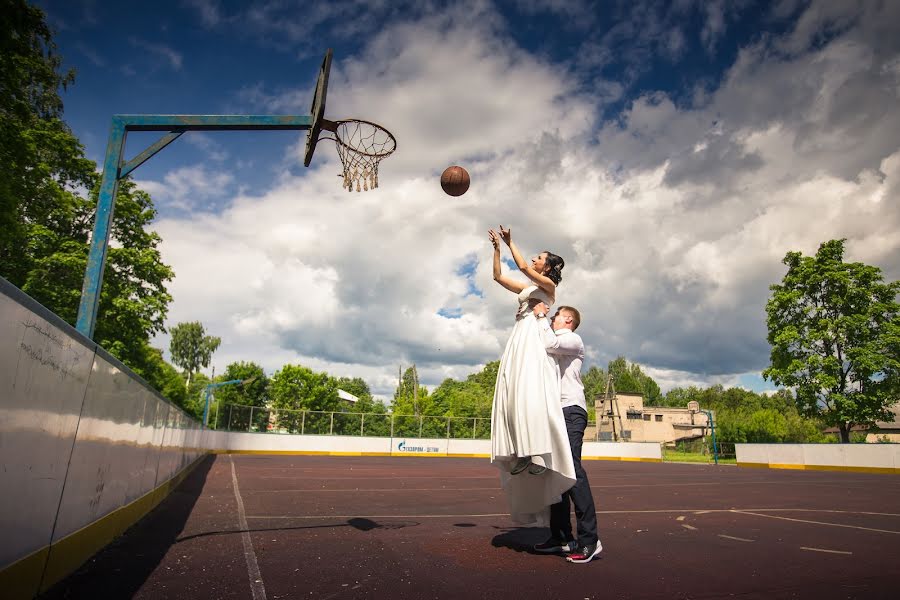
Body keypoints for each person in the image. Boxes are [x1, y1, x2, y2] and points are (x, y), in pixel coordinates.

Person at [488, 225, 575, 526]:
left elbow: (523, 266)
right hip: (519, 337)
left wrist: (511, 243)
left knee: (530, 391)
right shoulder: (528, 290)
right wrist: (497, 250)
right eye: (536, 256)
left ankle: (539, 453)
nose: (535, 259)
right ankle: (522, 451)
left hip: (534, 338)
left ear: (548, 267)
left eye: (540, 257)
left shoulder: (549, 288)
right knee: (514, 393)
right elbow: (498, 277)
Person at [531, 302, 602, 563]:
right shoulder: (552, 335)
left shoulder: (572, 338)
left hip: (571, 410)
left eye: (555, 316)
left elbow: (549, 343)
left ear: (568, 320)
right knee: (556, 474)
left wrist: (539, 315)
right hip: (554, 411)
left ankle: (589, 541)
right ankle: (561, 537)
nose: (551, 318)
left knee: (571, 470)